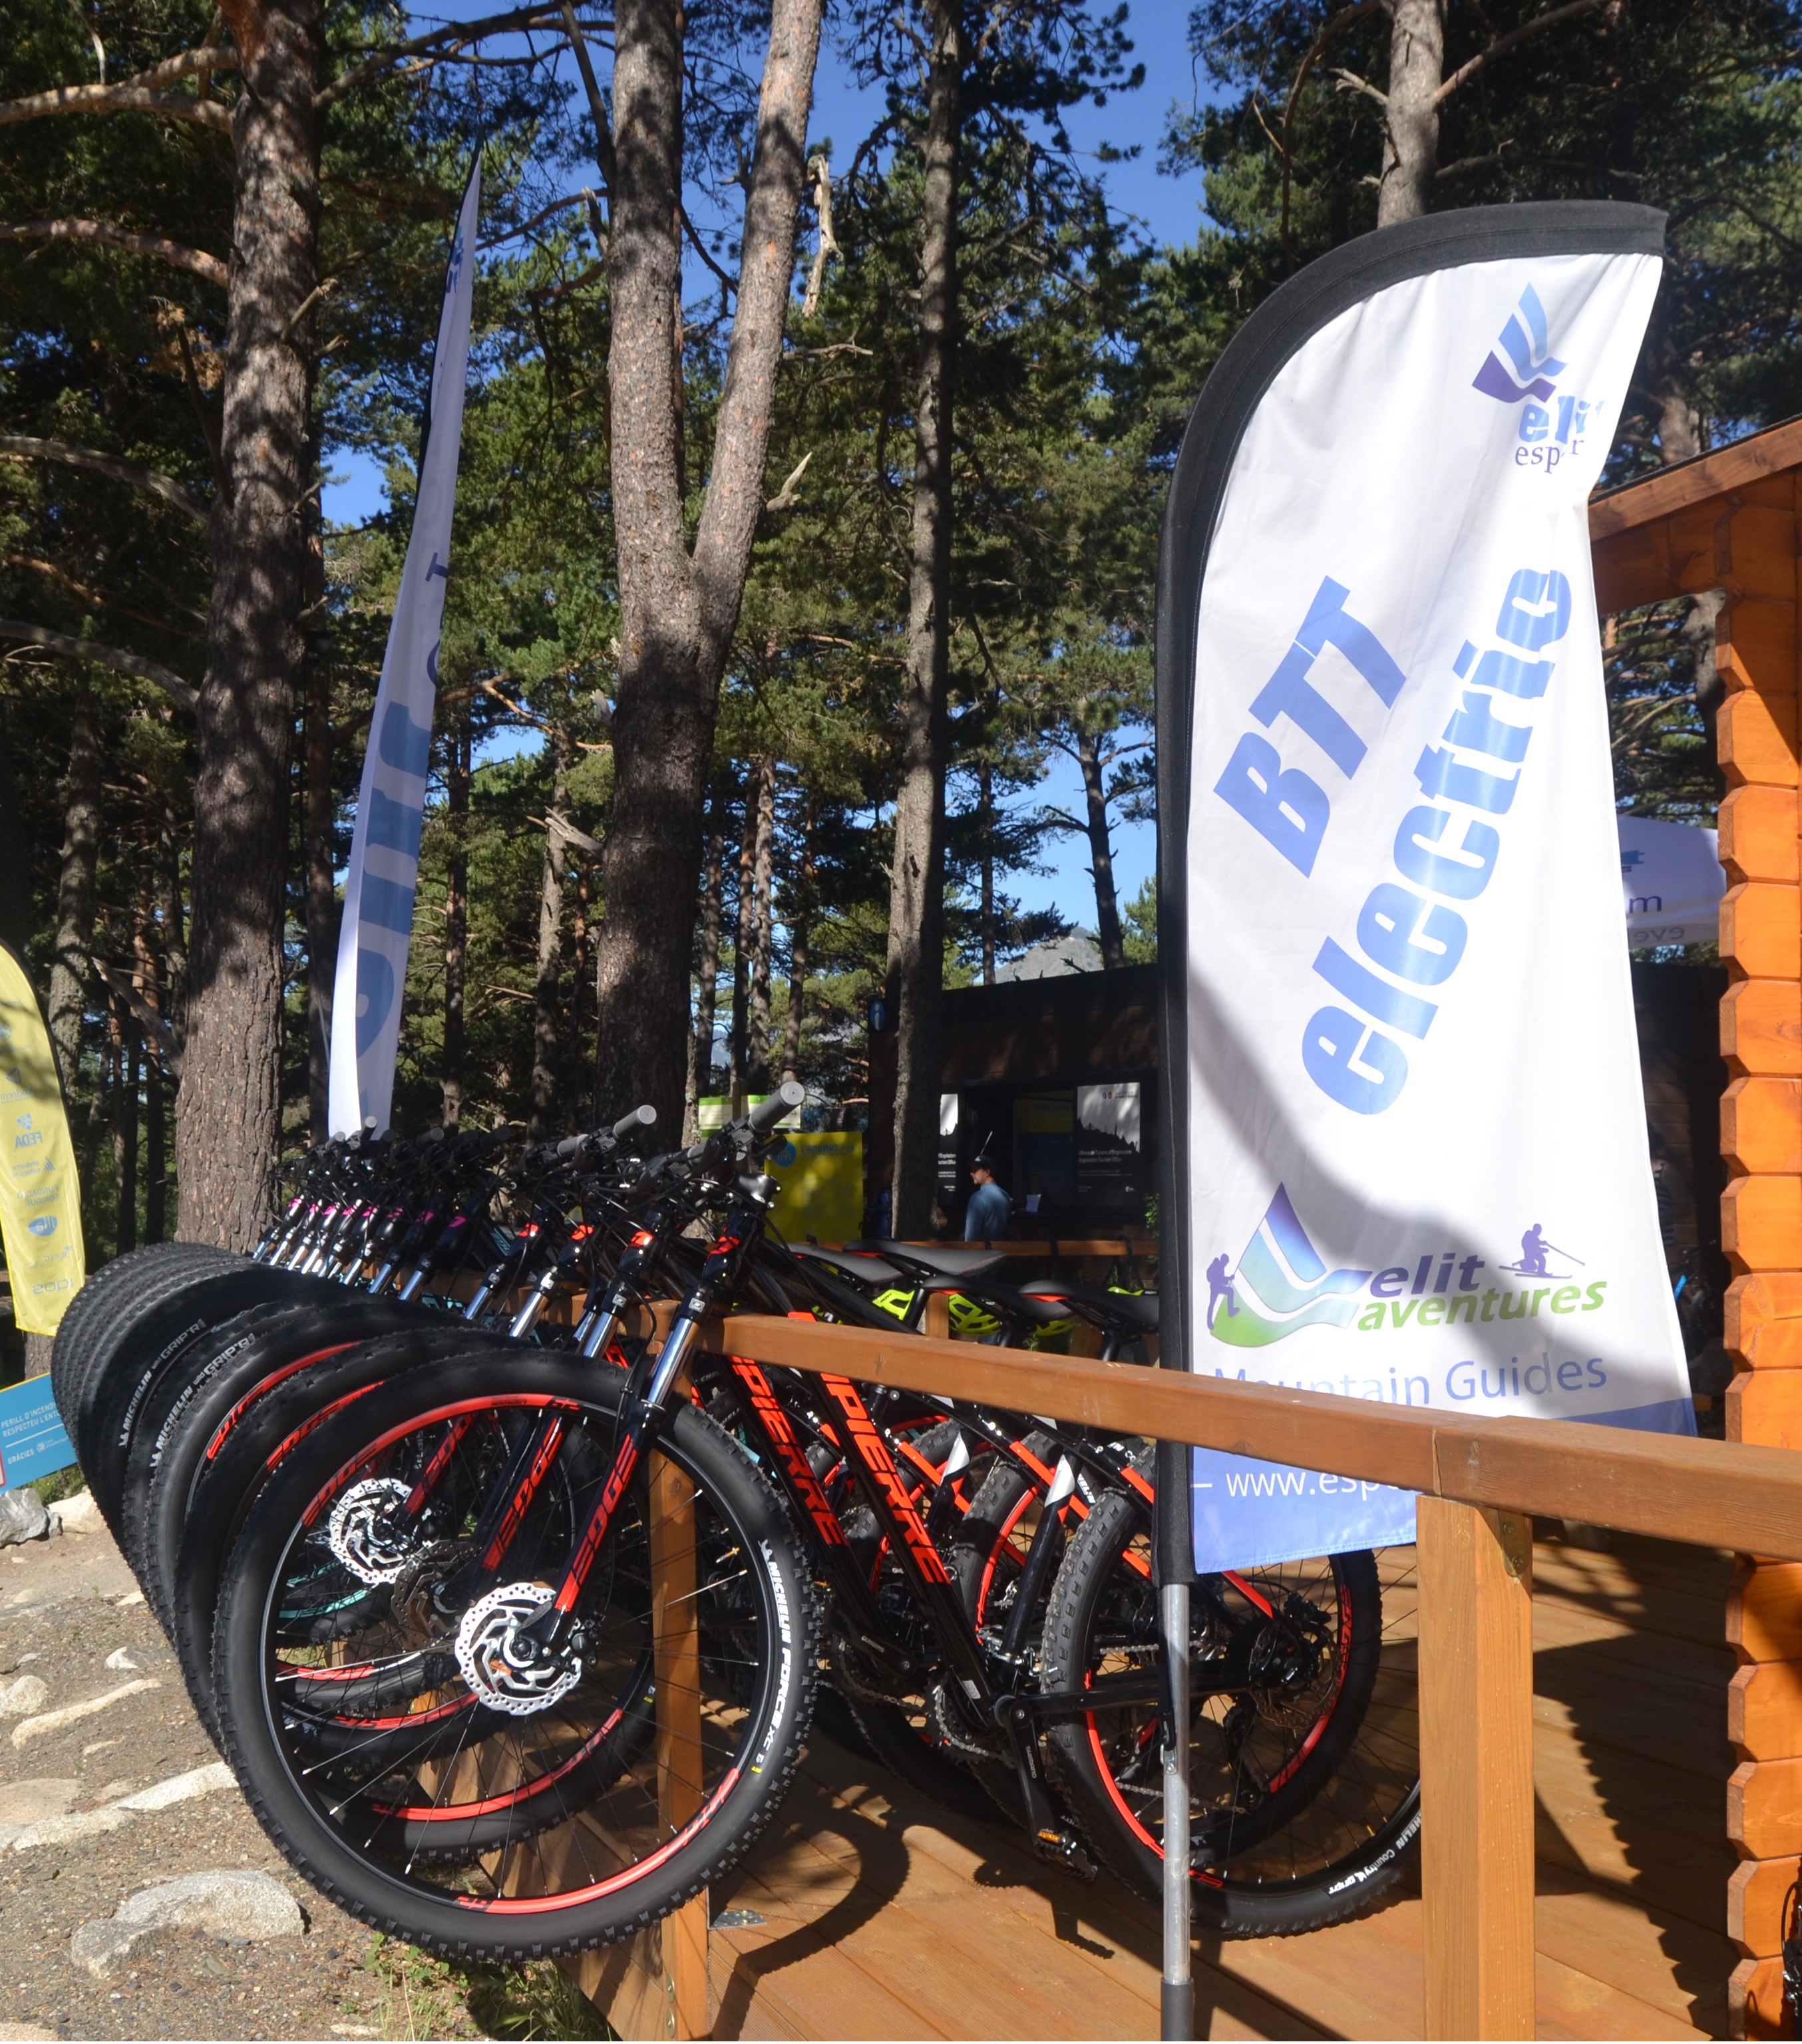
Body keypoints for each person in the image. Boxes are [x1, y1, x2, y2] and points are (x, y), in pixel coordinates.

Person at [965, 1156, 1011, 1242]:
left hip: (983, 1253)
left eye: (975, 1170)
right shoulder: (1005, 1196)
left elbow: (971, 1238)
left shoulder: (978, 1198)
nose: (971, 1173)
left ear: (987, 1172)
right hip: (1002, 1251)